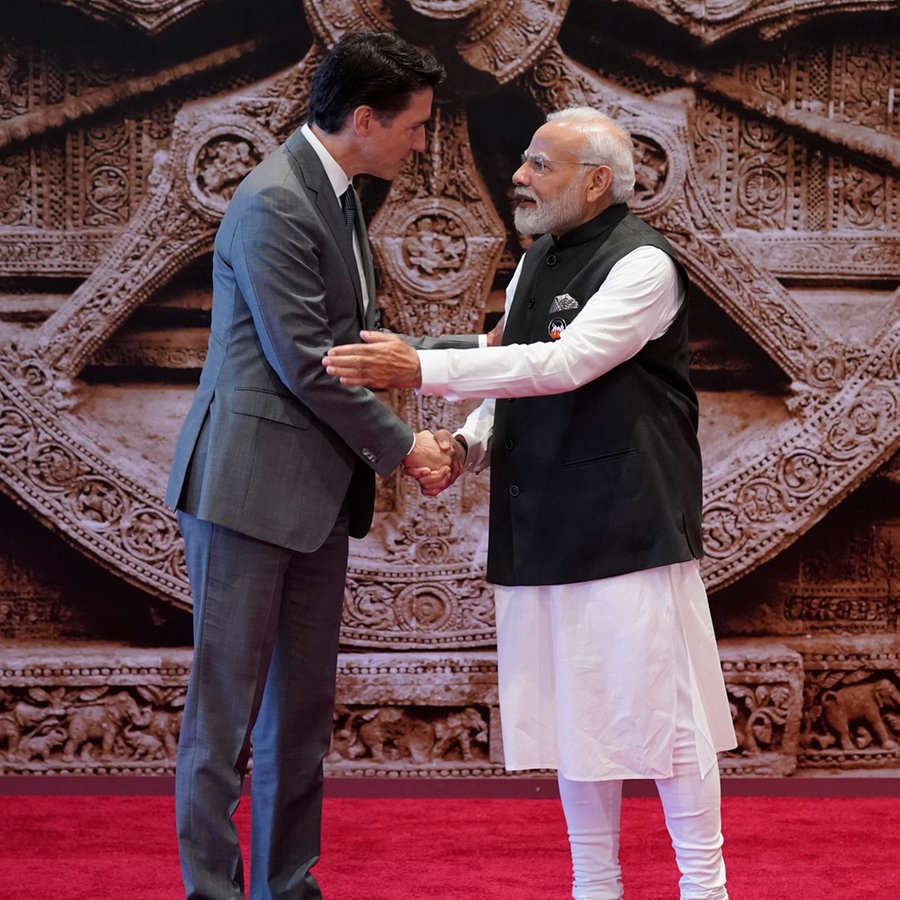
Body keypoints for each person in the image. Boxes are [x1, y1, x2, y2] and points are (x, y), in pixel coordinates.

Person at [323, 107, 737, 899]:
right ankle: (594, 888)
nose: (519, 175)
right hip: (541, 517)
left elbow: (568, 363)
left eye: (540, 164)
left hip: (628, 524)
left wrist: (421, 371)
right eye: (525, 160)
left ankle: (704, 888)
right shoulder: (537, 260)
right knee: (573, 720)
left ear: (595, 182)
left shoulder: (644, 264)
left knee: (665, 718)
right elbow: (517, 374)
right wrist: (468, 445)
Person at [166, 31, 472, 900]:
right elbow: (308, 361)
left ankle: (287, 887)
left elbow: (355, 346)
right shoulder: (275, 201)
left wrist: (471, 352)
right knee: (222, 721)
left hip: (312, 498)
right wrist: (409, 446)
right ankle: (214, 893)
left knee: (299, 721)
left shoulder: (330, 192)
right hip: (244, 491)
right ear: (365, 117)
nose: (420, 144)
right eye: (413, 126)